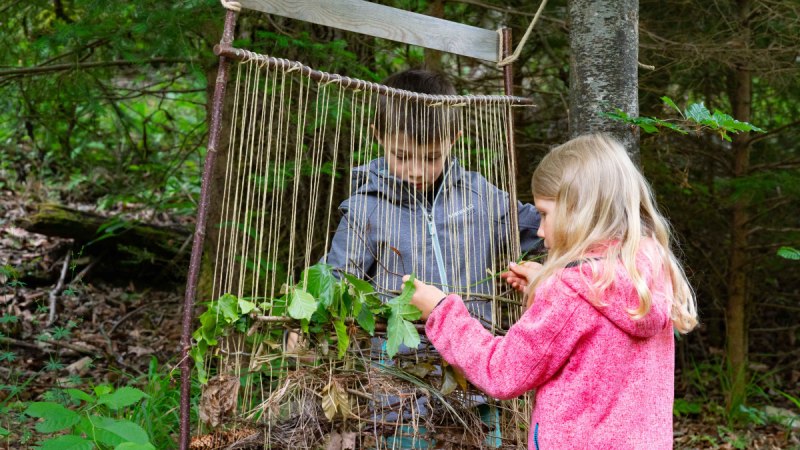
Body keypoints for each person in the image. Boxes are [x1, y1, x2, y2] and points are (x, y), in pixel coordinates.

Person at [407, 133, 699, 449]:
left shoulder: (569, 293)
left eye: (545, 213)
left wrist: (441, 312)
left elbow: (503, 372)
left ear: (580, 210)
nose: (541, 230)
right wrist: (546, 285)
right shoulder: (648, 264)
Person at [322, 68, 541, 447]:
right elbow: (338, 281)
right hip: (397, 379)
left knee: (478, 443)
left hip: (473, 368)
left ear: (454, 139)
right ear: (378, 137)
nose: (416, 171)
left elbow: (539, 228)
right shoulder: (366, 210)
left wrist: (590, 223)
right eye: (402, 156)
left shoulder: (479, 197)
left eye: (431, 157)